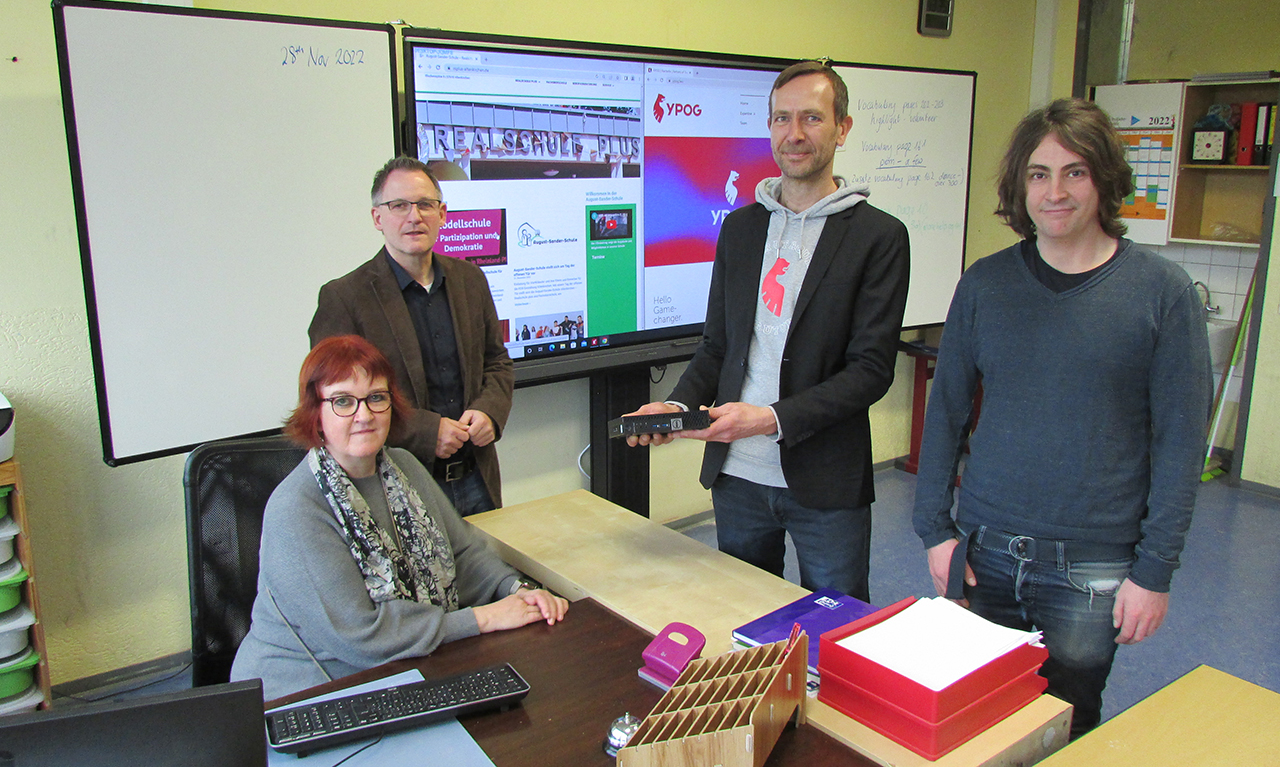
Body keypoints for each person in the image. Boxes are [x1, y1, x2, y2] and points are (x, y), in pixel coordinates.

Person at [912, 98, 1211, 738]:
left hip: (1095, 564)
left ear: (1104, 180)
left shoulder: (1163, 293)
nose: (1055, 191)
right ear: (1021, 187)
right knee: (979, 721)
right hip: (984, 551)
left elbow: (1182, 444)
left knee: (1067, 725)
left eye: (1075, 172)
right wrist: (935, 530)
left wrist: (1154, 572)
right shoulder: (986, 286)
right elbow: (946, 415)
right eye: (1039, 174)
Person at [626, 62, 910, 602]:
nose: (794, 134)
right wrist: (677, 405)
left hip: (825, 483)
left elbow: (871, 371)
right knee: (745, 621)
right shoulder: (741, 228)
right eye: (782, 118)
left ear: (842, 128)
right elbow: (717, 347)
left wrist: (771, 419)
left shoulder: (878, 237)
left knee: (836, 631)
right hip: (737, 477)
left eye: (811, 118)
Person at [231, 335, 566, 701]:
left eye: (376, 397)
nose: (364, 415)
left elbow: (463, 554)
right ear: (316, 414)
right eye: (343, 401)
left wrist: (517, 590)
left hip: (401, 669)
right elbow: (361, 635)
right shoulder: (297, 509)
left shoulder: (403, 466)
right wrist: (483, 618)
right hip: (305, 694)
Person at [310, 156, 514, 515]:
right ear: (378, 218)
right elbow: (335, 404)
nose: (414, 216)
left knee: (489, 569)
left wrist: (489, 412)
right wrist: (424, 431)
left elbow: (496, 361)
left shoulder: (470, 279)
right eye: (399, 205)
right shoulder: (344, 298)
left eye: (425, 205)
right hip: (398, 486)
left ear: (443, 214)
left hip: (478, 477)